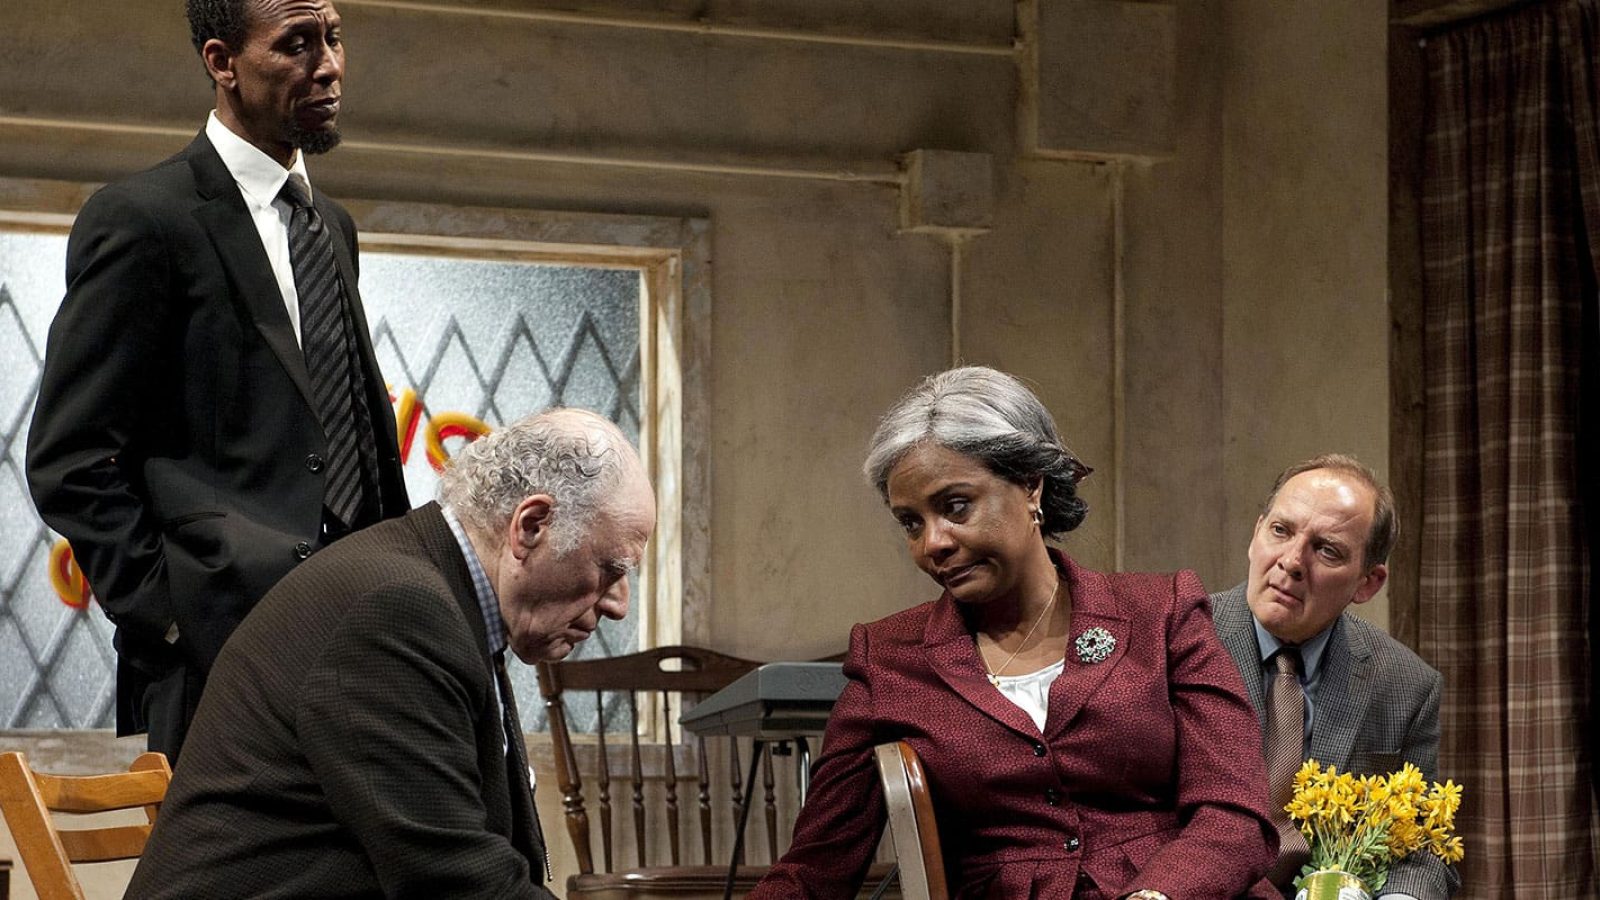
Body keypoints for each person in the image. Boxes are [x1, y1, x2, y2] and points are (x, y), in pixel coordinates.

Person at [25, 0, 407, 762]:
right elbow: (68, 458)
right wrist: (172, 613)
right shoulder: (143, 217)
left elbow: (344, 434)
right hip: (211, 655)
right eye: (295, 44)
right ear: (222, 62)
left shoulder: (331, 224)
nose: (327, 64)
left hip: (355, 638)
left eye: (332, 38)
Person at [751, 367, 1277, 900]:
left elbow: (1234, 813)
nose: (932, 543)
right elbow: (814, 870)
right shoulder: (888, 660)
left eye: (955, 506)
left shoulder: (1161, 611)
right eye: (910, 522)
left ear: (1031, 485)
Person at [123, 409, 653, 899]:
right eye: (610, 569)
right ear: (531, 525)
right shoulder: (399, 610)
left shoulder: (436, 593)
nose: (618, 605)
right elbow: (454, 881)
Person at [1210, 454, 1460, 899]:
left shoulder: (1406, 685)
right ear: (1255, 535)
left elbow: (1421, 849)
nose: (1291, 562)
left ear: (1367, 583)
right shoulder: (1179, 638)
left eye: (1327, 550)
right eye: (1281, 531)